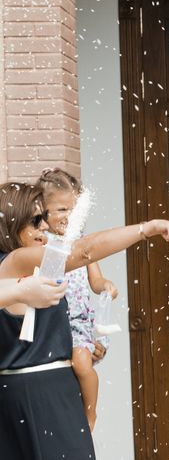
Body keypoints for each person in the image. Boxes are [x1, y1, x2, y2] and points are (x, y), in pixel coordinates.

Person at [0, 182, 169, 460]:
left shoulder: (21, 268)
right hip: (43, 395)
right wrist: (149, 228)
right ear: (10, 224)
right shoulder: (17, 260)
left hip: (24, 391)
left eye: (44, 217)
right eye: (34, 221)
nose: (44, 226)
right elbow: (83, 252)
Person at [38, 167, 118, 431]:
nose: (67, 216)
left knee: (82, 362)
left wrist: (105, 285)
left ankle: (90, 413)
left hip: (79, 322)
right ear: (44, 211)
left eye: (72, 209)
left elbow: (95, 280)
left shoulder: (81, 244)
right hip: (52, 321)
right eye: (61, 209)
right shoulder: (42, 243)